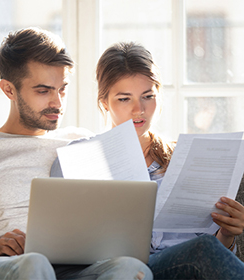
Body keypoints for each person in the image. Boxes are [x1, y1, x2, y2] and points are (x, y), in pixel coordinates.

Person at [0, 28, 153, 280]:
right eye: (43, 91)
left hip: (72, 266)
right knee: (34, 265)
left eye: (62, 89)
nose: (58, 103)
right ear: (9, 90)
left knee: (130, 269)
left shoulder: (80, 142)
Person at [95, 42, 244, 279]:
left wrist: (227, 233)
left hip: (188, 267)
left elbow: (215, 253)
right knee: (202, 250)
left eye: (148, 96)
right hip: (126, 269)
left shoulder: (184, 157)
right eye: (124, 99)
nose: (138, 110)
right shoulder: (83, 159)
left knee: (204, 248)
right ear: (104, 102)